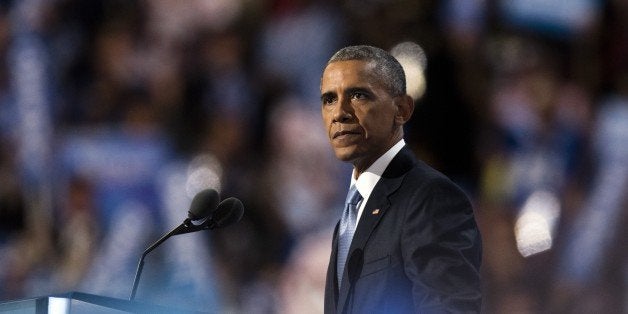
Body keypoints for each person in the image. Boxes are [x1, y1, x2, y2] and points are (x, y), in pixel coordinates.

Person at [320, 45, 482, 313]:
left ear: (402, 109)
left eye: (358, 95)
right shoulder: (350, 216)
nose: (339, 113)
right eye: (329, 99)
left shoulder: (430, 197)